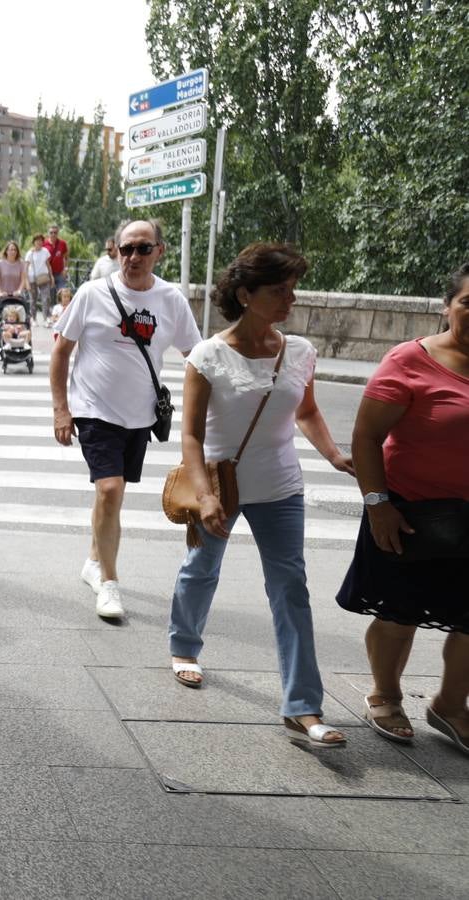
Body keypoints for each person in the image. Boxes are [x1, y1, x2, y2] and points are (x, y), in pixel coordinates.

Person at [167, 243, 354, 749]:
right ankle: (184, 646)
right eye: (279, 290)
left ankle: (302, 707)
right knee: (201, 568)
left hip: (281, 487)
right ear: (246, 294)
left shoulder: (299, 352)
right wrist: (204, 496)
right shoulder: (208, 355)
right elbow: (190, 435)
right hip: (220, 484)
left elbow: (308, 412)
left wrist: (335, 454)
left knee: (291, 588)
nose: (289, 300)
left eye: (292, 289)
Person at [337, 262, 469, 754]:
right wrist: (378, 505)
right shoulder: (410, 360)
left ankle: (451, 705)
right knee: (399, 614)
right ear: (447, 307)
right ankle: (386, 694)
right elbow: (367, 436)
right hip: (409, 513)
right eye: (468, 302)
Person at [50, 220, 202, 620]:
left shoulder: (171, 300)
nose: (133, 257)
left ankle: (93, 560)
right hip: (94, 410)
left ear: (159, 251)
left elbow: (196, 359)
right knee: (110, 489)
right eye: (126, 249)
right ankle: (110, 584)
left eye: (142, 248)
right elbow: (61, 352)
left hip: (140, 416)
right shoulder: (92, 294)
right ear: (115, 251)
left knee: (111, 495)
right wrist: (61, 409)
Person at [24, 234, 53, 318]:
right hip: (32, 278)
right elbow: (25, 268)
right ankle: (33, 318)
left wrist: (51, 277)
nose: (39, 242)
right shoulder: (30, 253)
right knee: (33, 299)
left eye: (41, 240)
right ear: (34, 242)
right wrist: (27, 282)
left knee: (46, 298)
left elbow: (48, 265)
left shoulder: (45, 251)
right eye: (37, 240)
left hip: (44, 277)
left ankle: (46, 318)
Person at [44, 223, 69, 293]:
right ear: (48, 233)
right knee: (50, 295)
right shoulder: (44, 243)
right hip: (48, 274)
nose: (53, 234)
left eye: (55, 232)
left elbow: (66, 257)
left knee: (62, 293)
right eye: (51, 232)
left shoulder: (62, 243)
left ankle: (61, 304)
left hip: (60, 273)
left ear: (58, 233)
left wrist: (66, 269)